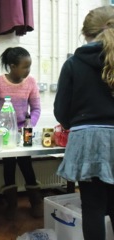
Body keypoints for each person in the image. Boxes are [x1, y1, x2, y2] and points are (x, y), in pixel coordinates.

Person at [54, 6, 114, 240]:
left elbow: (61, 111)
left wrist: (78, 123)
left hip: (87, 139)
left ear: (86, 34)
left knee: (93, 208)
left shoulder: (73, 63)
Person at [0, 47, 42, 220]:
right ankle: (11, 204)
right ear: (12, 66)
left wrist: (31, 123)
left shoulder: (31, 83)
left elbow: (36, 108)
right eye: (25, 67)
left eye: (30, 66)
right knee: (8, 166)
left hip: (24, 132)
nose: (28, 71)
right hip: (5, 133)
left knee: (27, 165)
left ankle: (36, 202)